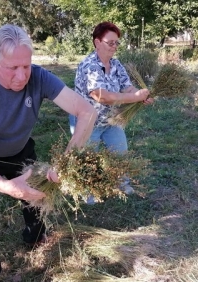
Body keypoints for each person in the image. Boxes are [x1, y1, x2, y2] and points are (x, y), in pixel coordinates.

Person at [0, 24, 97, 282]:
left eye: (26, 66)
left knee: (36, 196)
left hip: (20, 150)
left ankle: (35, 235)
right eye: (12, 68)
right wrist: (6, 186)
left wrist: (65, 162)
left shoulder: (39, 77)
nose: (21, 76)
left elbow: (86, 111)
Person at [69, 21, 153, 203]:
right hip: (87, 122)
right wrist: (134, 98)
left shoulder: (115, 64)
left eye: (117, 43)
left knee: (120, 152)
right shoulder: (89, 65)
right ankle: (87, 192)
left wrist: (141, 95)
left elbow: (127, 87)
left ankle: (121, 183)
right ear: (97, 42)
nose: (114, 47)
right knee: (88, 160)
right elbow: (101, 96)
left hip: (110, 120)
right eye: (110, 43)